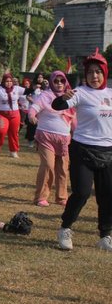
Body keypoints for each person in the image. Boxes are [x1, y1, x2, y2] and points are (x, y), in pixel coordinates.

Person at [52, 49, 112, 251]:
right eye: (90, 72)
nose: (94, 76)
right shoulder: (80, 93)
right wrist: (63, 97)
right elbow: (58, 105)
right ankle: (65, 228)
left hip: (108, 151)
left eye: (98, 72)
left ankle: (105, 235)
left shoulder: (111, 94)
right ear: (85, 75)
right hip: (82, 150)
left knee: (107, 194)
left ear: (105, 73)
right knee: (82, 193)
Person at [28, 71, 76, 207]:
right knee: (48, 165)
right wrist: (32, 116)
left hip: (64, 139)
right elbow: (34, 108)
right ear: (51, 82)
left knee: (62, 168)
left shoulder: (71, 97)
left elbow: (74, 120)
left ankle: (61, 197)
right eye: (56, 81)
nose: (59, 83)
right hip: (45, 136)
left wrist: (77, 133)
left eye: (62, 81)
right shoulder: (45, 95)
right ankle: (41, 197)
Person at [0, 73, 26, 158]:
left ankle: (13, 151)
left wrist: (34, 87)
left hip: (15, 114)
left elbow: (27, 91)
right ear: (3, 82)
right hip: (2, 114)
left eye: (10, 81)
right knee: (2, 131)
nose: (9, 83)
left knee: (14, 133)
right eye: (7, 81)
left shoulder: (17, 88)